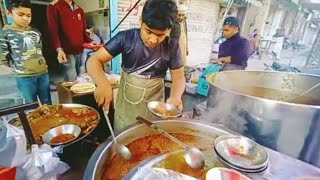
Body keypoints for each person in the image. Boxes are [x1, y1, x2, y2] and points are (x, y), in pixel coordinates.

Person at [87, 0, 186, 130]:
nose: (153, 39)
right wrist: (102, 83)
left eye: (160, 35)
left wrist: (175, 97)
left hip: (154, 110)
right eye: (148, 31)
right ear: (141, 21)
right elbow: (94, 60)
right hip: (126, 107)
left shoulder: (172, 47)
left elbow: (178, 77)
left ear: (169, 30)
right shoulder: (125, 38)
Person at [0, 0, 51, 104]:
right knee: (30, 105)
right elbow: (3, 58)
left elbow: (39, 51)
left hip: (43, 73)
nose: (25, 18)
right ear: (9, 13)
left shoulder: (35, 32)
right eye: (20, 14)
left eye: (28, 15)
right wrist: (18, 69)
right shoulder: (5, 33)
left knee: (47, 102)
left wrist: (43, 64)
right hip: (25, 77)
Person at [47, 0, 92, 80]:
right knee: (71, 78)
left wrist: (91, 42)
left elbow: (83, 31)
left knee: (81, 75)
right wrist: (59, 49)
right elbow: (53, 31)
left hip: (80, 49)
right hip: (66, 51)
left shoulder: (79, 9)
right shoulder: (54, 6)